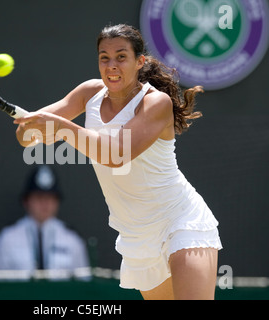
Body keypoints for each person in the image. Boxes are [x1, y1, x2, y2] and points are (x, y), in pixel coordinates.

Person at [14, 24, 222, 299]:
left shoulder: (156, 103)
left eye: (121, 57)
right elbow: (25, 136)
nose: (111, 65)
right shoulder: (89, 92)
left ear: (140, 62)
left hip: (180, 220)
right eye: (104, 57)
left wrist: (62, 128)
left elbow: (115, 154)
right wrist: (31, 127)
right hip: (137, 235)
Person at [0, 164, 90, 280]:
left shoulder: (72, 240)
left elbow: (84, 285)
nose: (45, 203)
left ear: (57, 202)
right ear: (26, 201)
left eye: (50, 197)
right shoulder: (8, 238)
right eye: (39, 197)